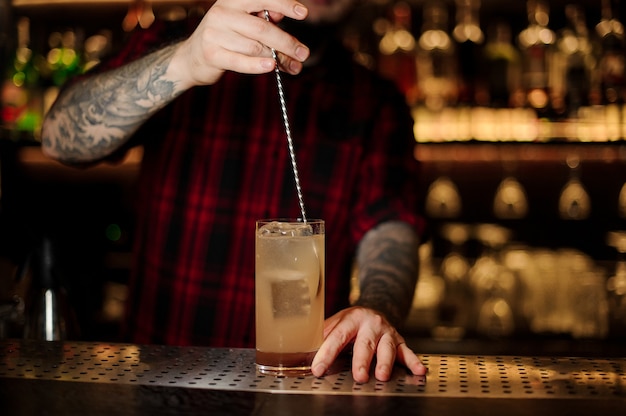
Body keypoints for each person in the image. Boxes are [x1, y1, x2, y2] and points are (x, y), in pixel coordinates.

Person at [40, 0, 427, 383]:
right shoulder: (179, 41)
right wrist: (184, 63)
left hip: (302, 385)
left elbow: (390, 229)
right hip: (162, 382)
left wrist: (376, 307)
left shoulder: (376, 102)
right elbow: (59, 139)